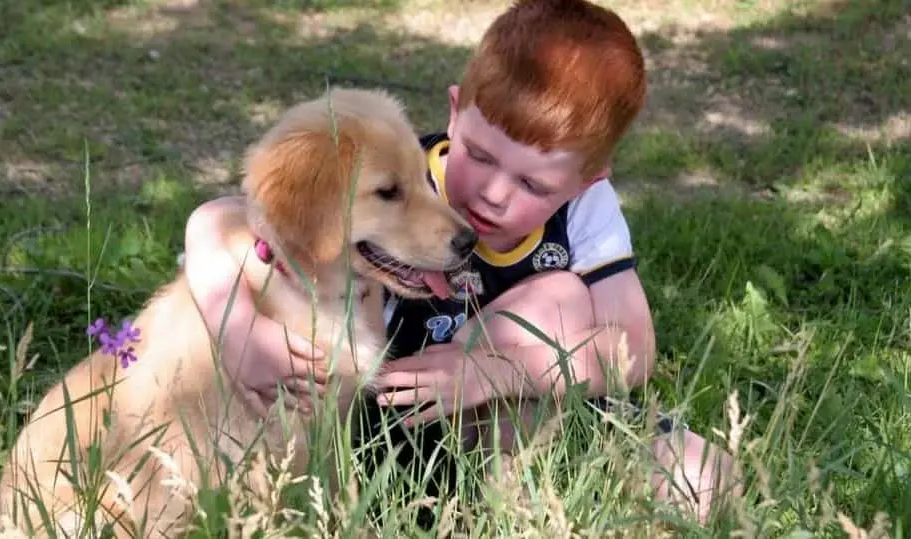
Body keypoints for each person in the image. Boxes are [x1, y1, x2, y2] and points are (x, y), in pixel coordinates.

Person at [182, 0, 742, 527]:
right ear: (455, 113)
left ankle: (520, 502)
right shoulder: (404, 173)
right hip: (385, 424)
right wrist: (236, 328)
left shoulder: (587, 210)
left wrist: (492, 372)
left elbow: (632, 348)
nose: (493, 193)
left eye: (532, 184)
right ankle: (470, 504)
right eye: (479, 155)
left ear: (586, 181)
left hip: (519, 406)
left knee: (708, 478)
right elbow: (228, 217)